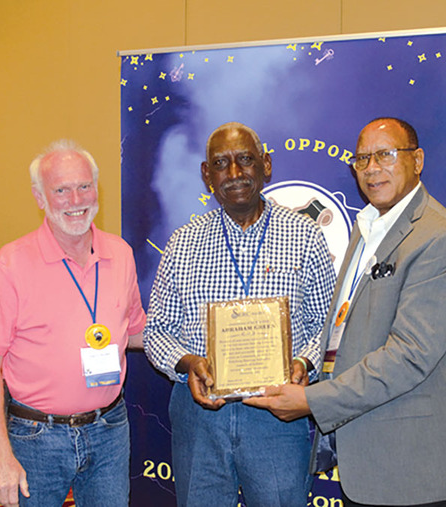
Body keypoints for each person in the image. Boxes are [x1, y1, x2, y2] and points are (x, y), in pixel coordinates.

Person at [245, 117, 446, 506]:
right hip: (375, 461)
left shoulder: (439, 238)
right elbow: (345, 330)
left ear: (418, 160)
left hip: (426, 471)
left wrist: (313, 401)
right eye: (362, 159)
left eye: (385, 154)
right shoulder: (367, 229)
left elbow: (409, 356)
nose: (372, 168)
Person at [143, 122, 335, 506]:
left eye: (245, 160)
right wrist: (187, 363)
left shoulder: (305, 236)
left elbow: (326, 324)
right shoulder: (183, 242)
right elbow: (157, 331)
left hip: (277, 413)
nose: (234, 174)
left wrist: (303, 361)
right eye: (221, 163)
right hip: (200, 414)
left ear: (266, 165)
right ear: (206, 175)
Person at [0, 140, 146, 507]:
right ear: (40, 197)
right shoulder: (11, 263)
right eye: (60, 190)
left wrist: (203, 336)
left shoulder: (121, 254)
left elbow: (136, 331)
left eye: (84, 186)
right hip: (36, 438)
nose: (76, 200)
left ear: (97, 189)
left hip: (110, 429)